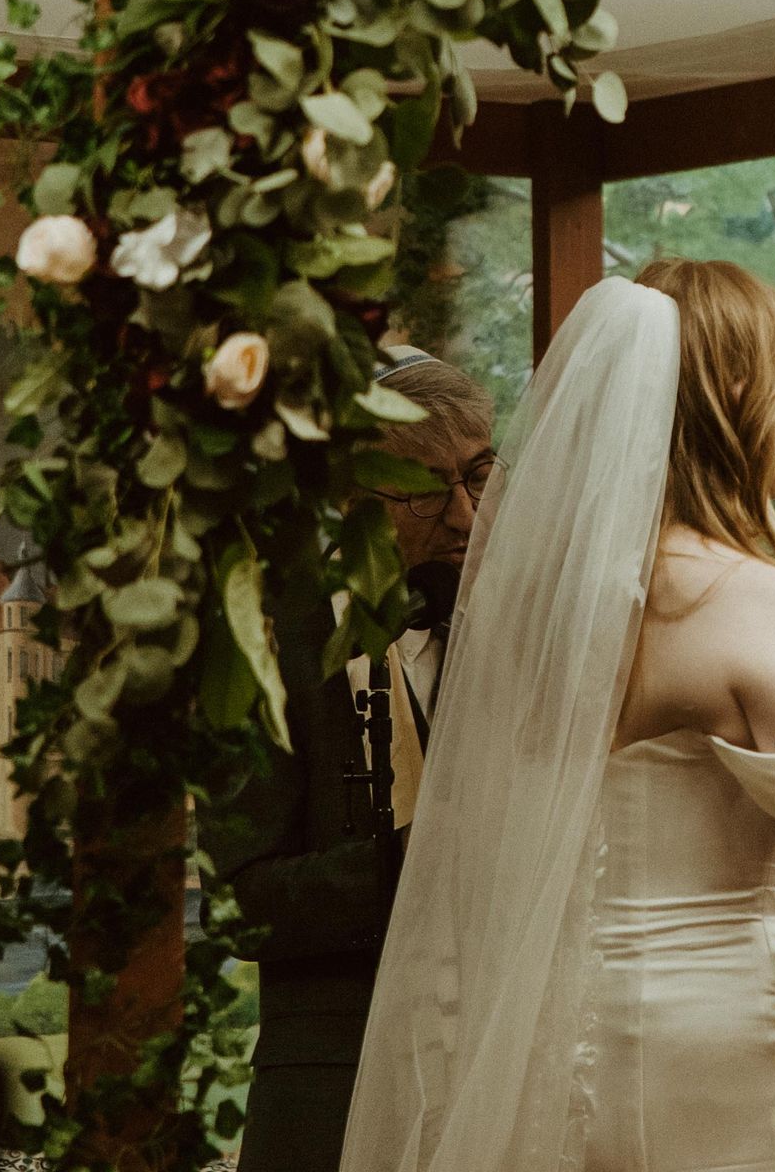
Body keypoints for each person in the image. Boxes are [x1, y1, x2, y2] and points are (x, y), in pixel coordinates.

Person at [339, 261, 775, 1172]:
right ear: (748, 402)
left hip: (557, 1047)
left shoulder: (528, 612)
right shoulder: (763, 606)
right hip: (729, 1049)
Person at [199, 350, 494, 1172]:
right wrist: (415, 865)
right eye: (426, 489)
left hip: (498, 1079)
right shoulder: (263, 639)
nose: (465, 515)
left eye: (479, 475)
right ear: (347, 499)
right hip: (331, 1093)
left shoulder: (509, 626)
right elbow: (238, 905)